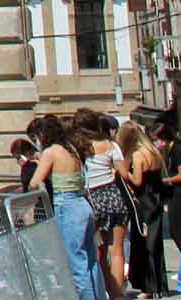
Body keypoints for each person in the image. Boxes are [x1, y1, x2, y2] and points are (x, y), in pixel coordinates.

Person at [28, 111, 104, 300]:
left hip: (66, 205)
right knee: (90, 260)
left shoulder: (51, 152)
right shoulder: (72, 148)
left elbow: (34, 183)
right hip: (82, 204)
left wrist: (39, 164)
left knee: (76, 263)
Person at [76, 110, 130, 300]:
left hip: (91, 200)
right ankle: (117, 296)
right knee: (117, 251)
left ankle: (104, 290)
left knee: (98, 251)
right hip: (113, 197)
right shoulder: (110, 145)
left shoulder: (79, 148)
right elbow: (124, 174)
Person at [119, 122, 168, 298]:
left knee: (144, 243)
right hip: (155, 199)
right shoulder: (154, 152)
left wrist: (125, 172)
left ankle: (148, 287)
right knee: (155, 243)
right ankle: (158, 285)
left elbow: (138, 181)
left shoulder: (139, 155)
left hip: (144, 201)